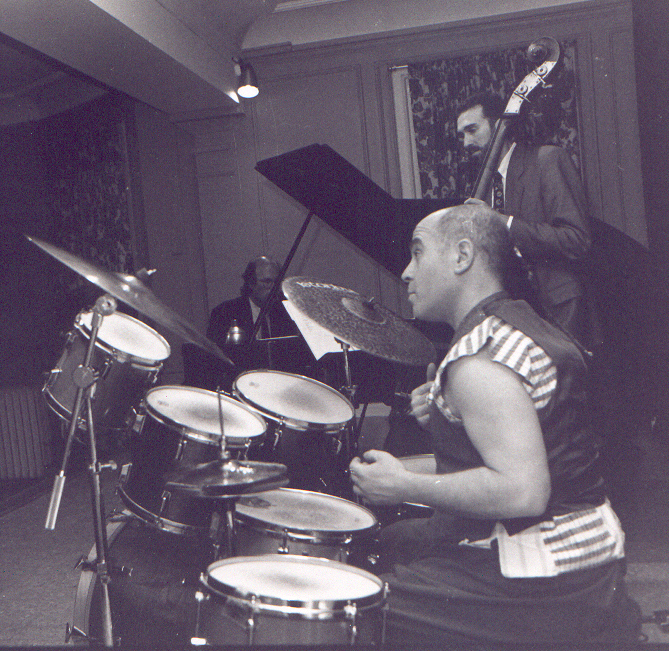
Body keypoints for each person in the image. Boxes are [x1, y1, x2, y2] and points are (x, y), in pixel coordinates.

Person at [349, 204, 638, 646]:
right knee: (395, 541)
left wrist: (402, 487)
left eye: (418, 253)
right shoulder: (522, 325)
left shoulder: (477, 361)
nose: (406, 272)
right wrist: (409, 465)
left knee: (357, 610)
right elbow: (533, 449)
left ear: (463, 256)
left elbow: (523, 491)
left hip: (548, 574)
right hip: (595, 550)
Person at [456, 92, 592, 346]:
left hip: (558, 313)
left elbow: (577, 240)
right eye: (462, 135)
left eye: (472, 130)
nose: (466, 142)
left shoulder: (547, 160)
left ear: (499, 127)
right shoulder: (482, 187)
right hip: (515, 319)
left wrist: (501, 222)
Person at [200, 256, 312, 386]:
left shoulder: (287, 312)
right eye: (266, 282)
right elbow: (215, 359)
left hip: (281, 383)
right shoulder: (225, 312)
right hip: (243, 383)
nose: (273, 288)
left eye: (277, 282)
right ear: (251, 283)